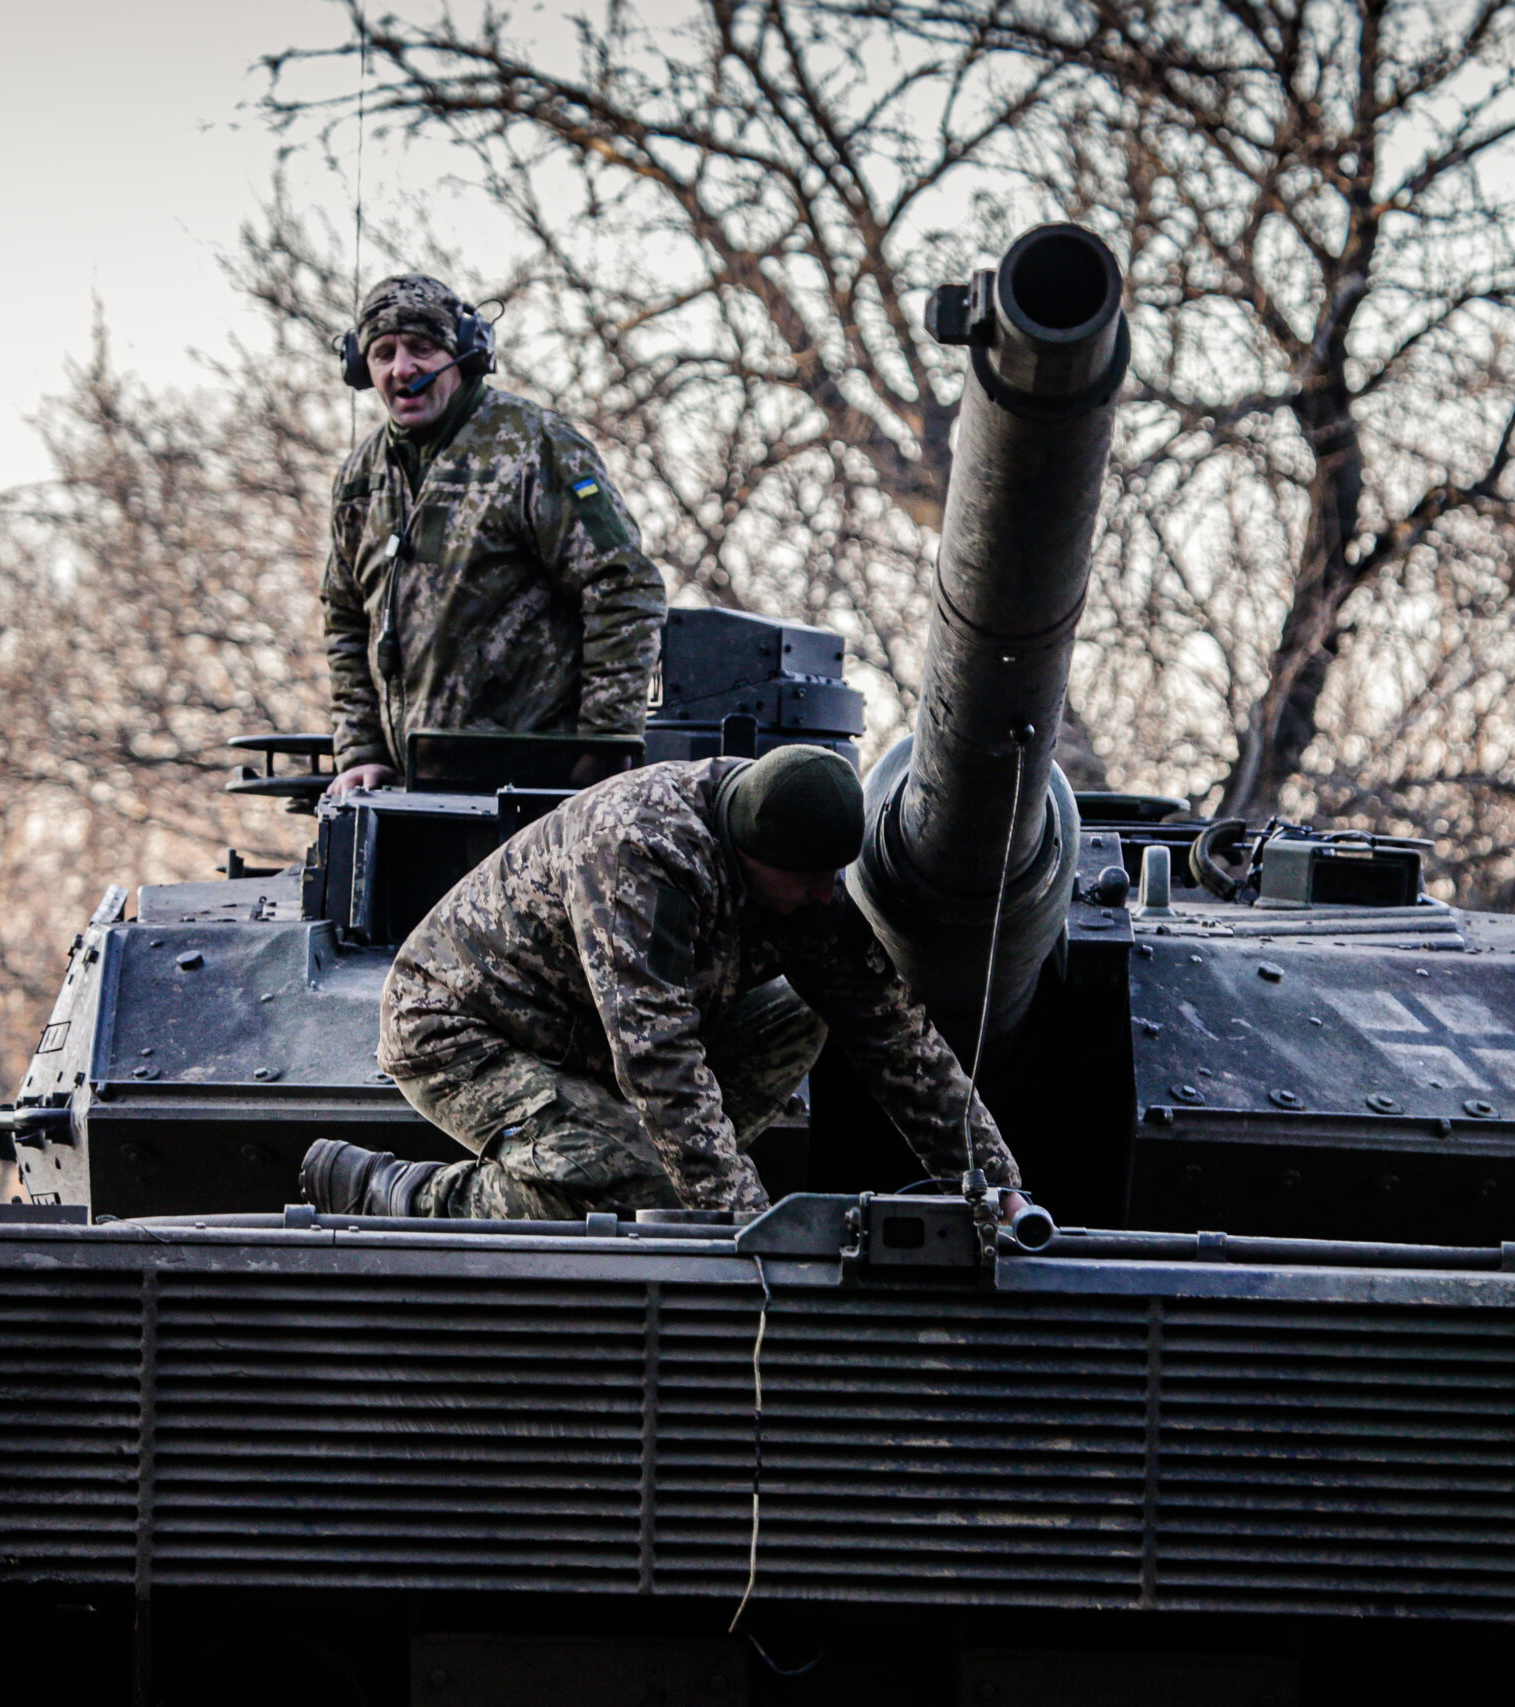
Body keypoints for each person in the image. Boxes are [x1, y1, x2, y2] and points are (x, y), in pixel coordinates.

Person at [298, 745, 1028, 1220]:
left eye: (833, 877)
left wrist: (1003, 1191)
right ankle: (407, 1195)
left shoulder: (800, 864)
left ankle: (644, 1173)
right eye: (807, 881)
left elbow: (897, 1039)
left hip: (581, 1034)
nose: (823, 896)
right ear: (749, 853)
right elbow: (658, 1063)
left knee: (804, 1012)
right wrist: (745, 1224)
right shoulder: (638, 853)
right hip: (462, 1028)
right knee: (648, 1184)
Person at [320, 274, 666, 797]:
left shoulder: (534, 446)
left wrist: (604, 747)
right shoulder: (360, 477)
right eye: (383, 353)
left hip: (531, 794)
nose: (402, 368)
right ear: (360, 367)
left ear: (463, 354)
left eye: (421, 348)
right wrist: (361, 753)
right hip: (409, 800)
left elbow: (623, 587)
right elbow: (345, 618)